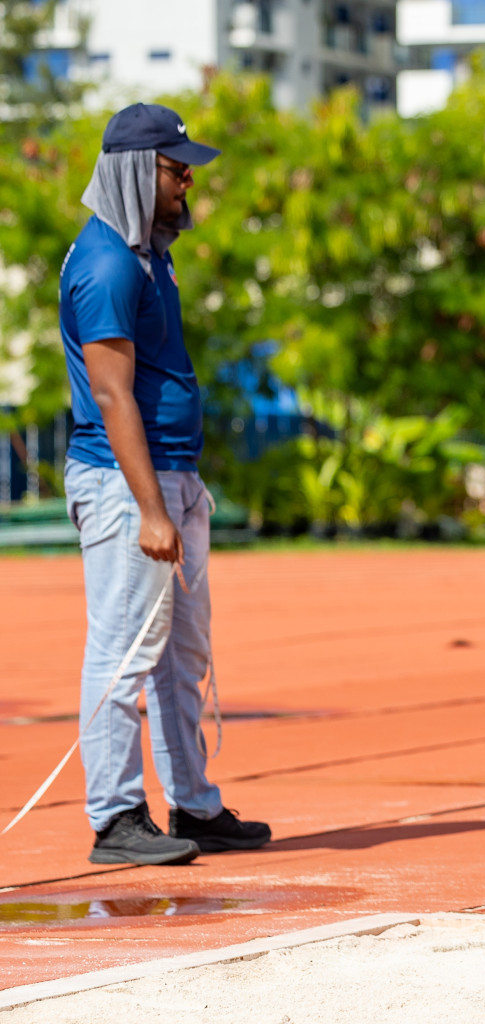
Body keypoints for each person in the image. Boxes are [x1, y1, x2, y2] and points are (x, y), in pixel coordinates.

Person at [60, 103, 271, 864]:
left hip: (172, 476)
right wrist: (151, 508)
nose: (188, 178)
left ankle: (192, 805)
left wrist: (175, 492)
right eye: (175, 166)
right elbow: (113, 394)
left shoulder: (150, 255)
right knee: (124, 653)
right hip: (127, 489)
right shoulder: (109, 262)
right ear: (132, 171)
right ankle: (115, 818)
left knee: (183, 655)